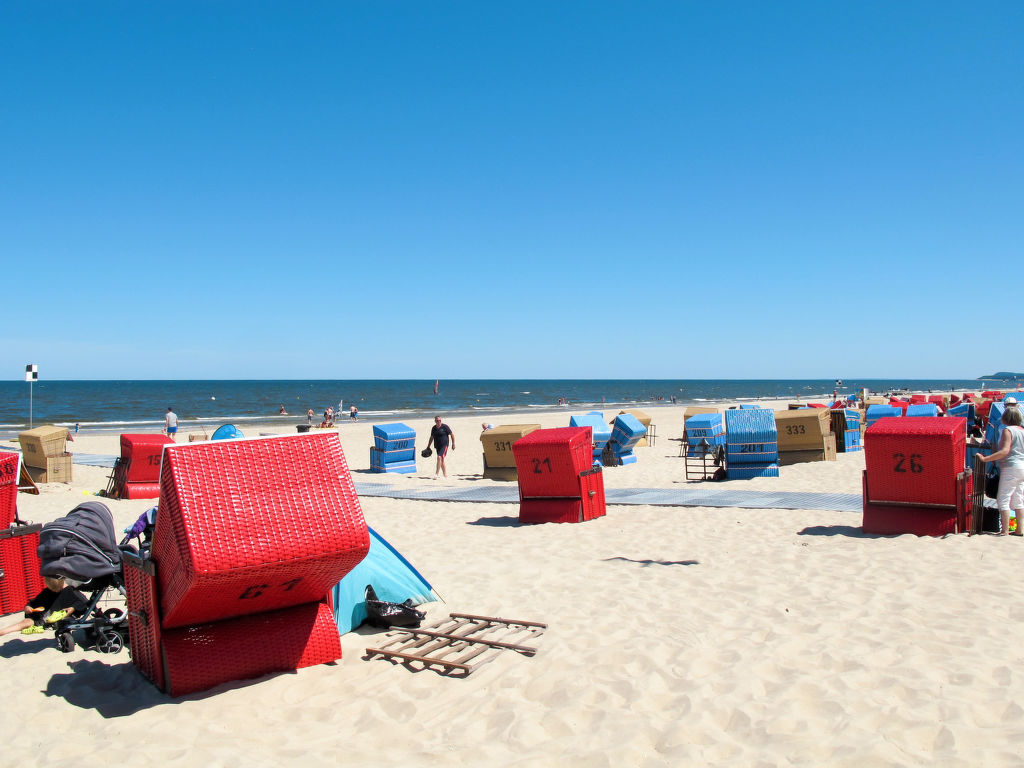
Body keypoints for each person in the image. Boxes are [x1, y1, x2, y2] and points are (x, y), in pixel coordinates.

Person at [978, 397, 1024, 536]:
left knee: (1003, 498)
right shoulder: (1022, 430)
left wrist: (986, 459)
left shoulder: (1007, 430)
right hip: (1021, 466)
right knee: (1018, 499)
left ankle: (1005, 530)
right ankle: (1019, 529)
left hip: (1011, 467)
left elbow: (1004, 451)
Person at [0, 576, 88, 637]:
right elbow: (33, 602)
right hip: (42, 618)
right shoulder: (48, 591)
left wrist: (72, 608)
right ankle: (3, 631)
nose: (53, 590)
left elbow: (83, 603)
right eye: (51, 588)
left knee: (66, 619)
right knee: (26, 622)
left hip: (61, 617)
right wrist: (28, 607)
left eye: (54, 589)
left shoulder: (70, 591)